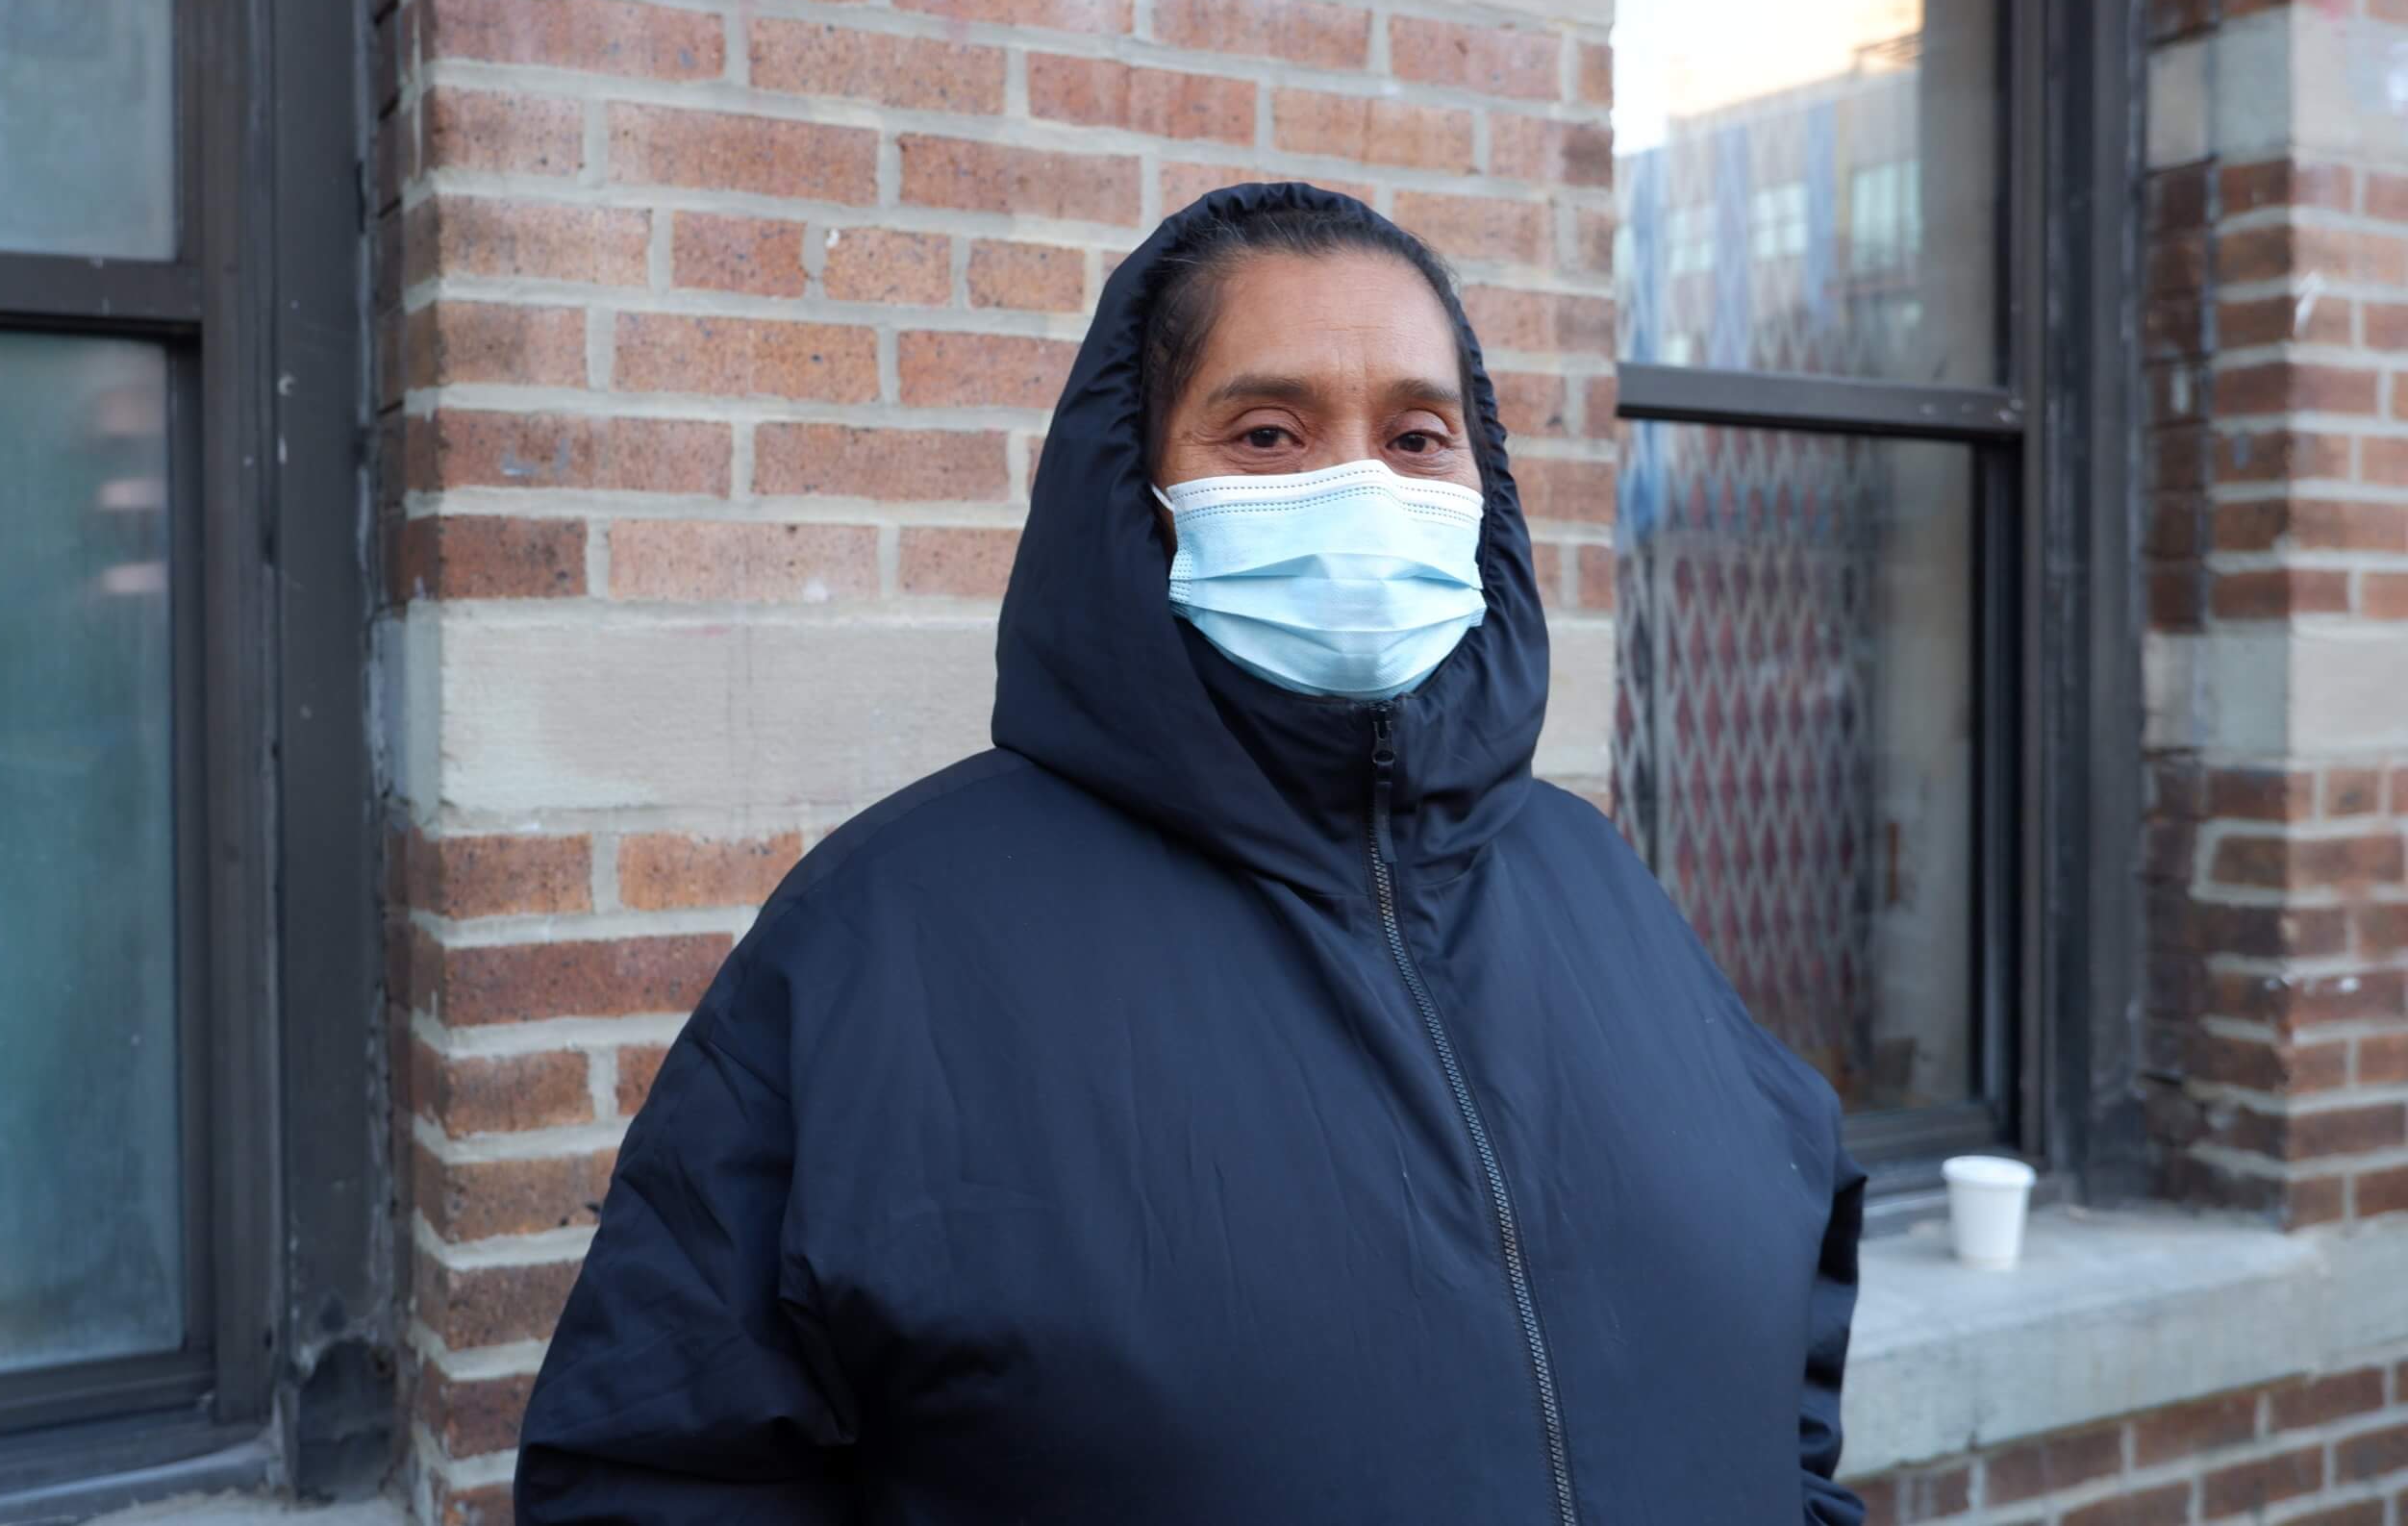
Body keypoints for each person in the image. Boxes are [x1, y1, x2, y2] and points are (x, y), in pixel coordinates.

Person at [514, 183, 1867, 1525]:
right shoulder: (883, 942)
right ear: (1138, 486)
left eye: (1417, 436)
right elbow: (659, 1476)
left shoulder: (1597, 881)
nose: (1361, 487)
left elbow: (1788, 1314)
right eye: (1269, 433)